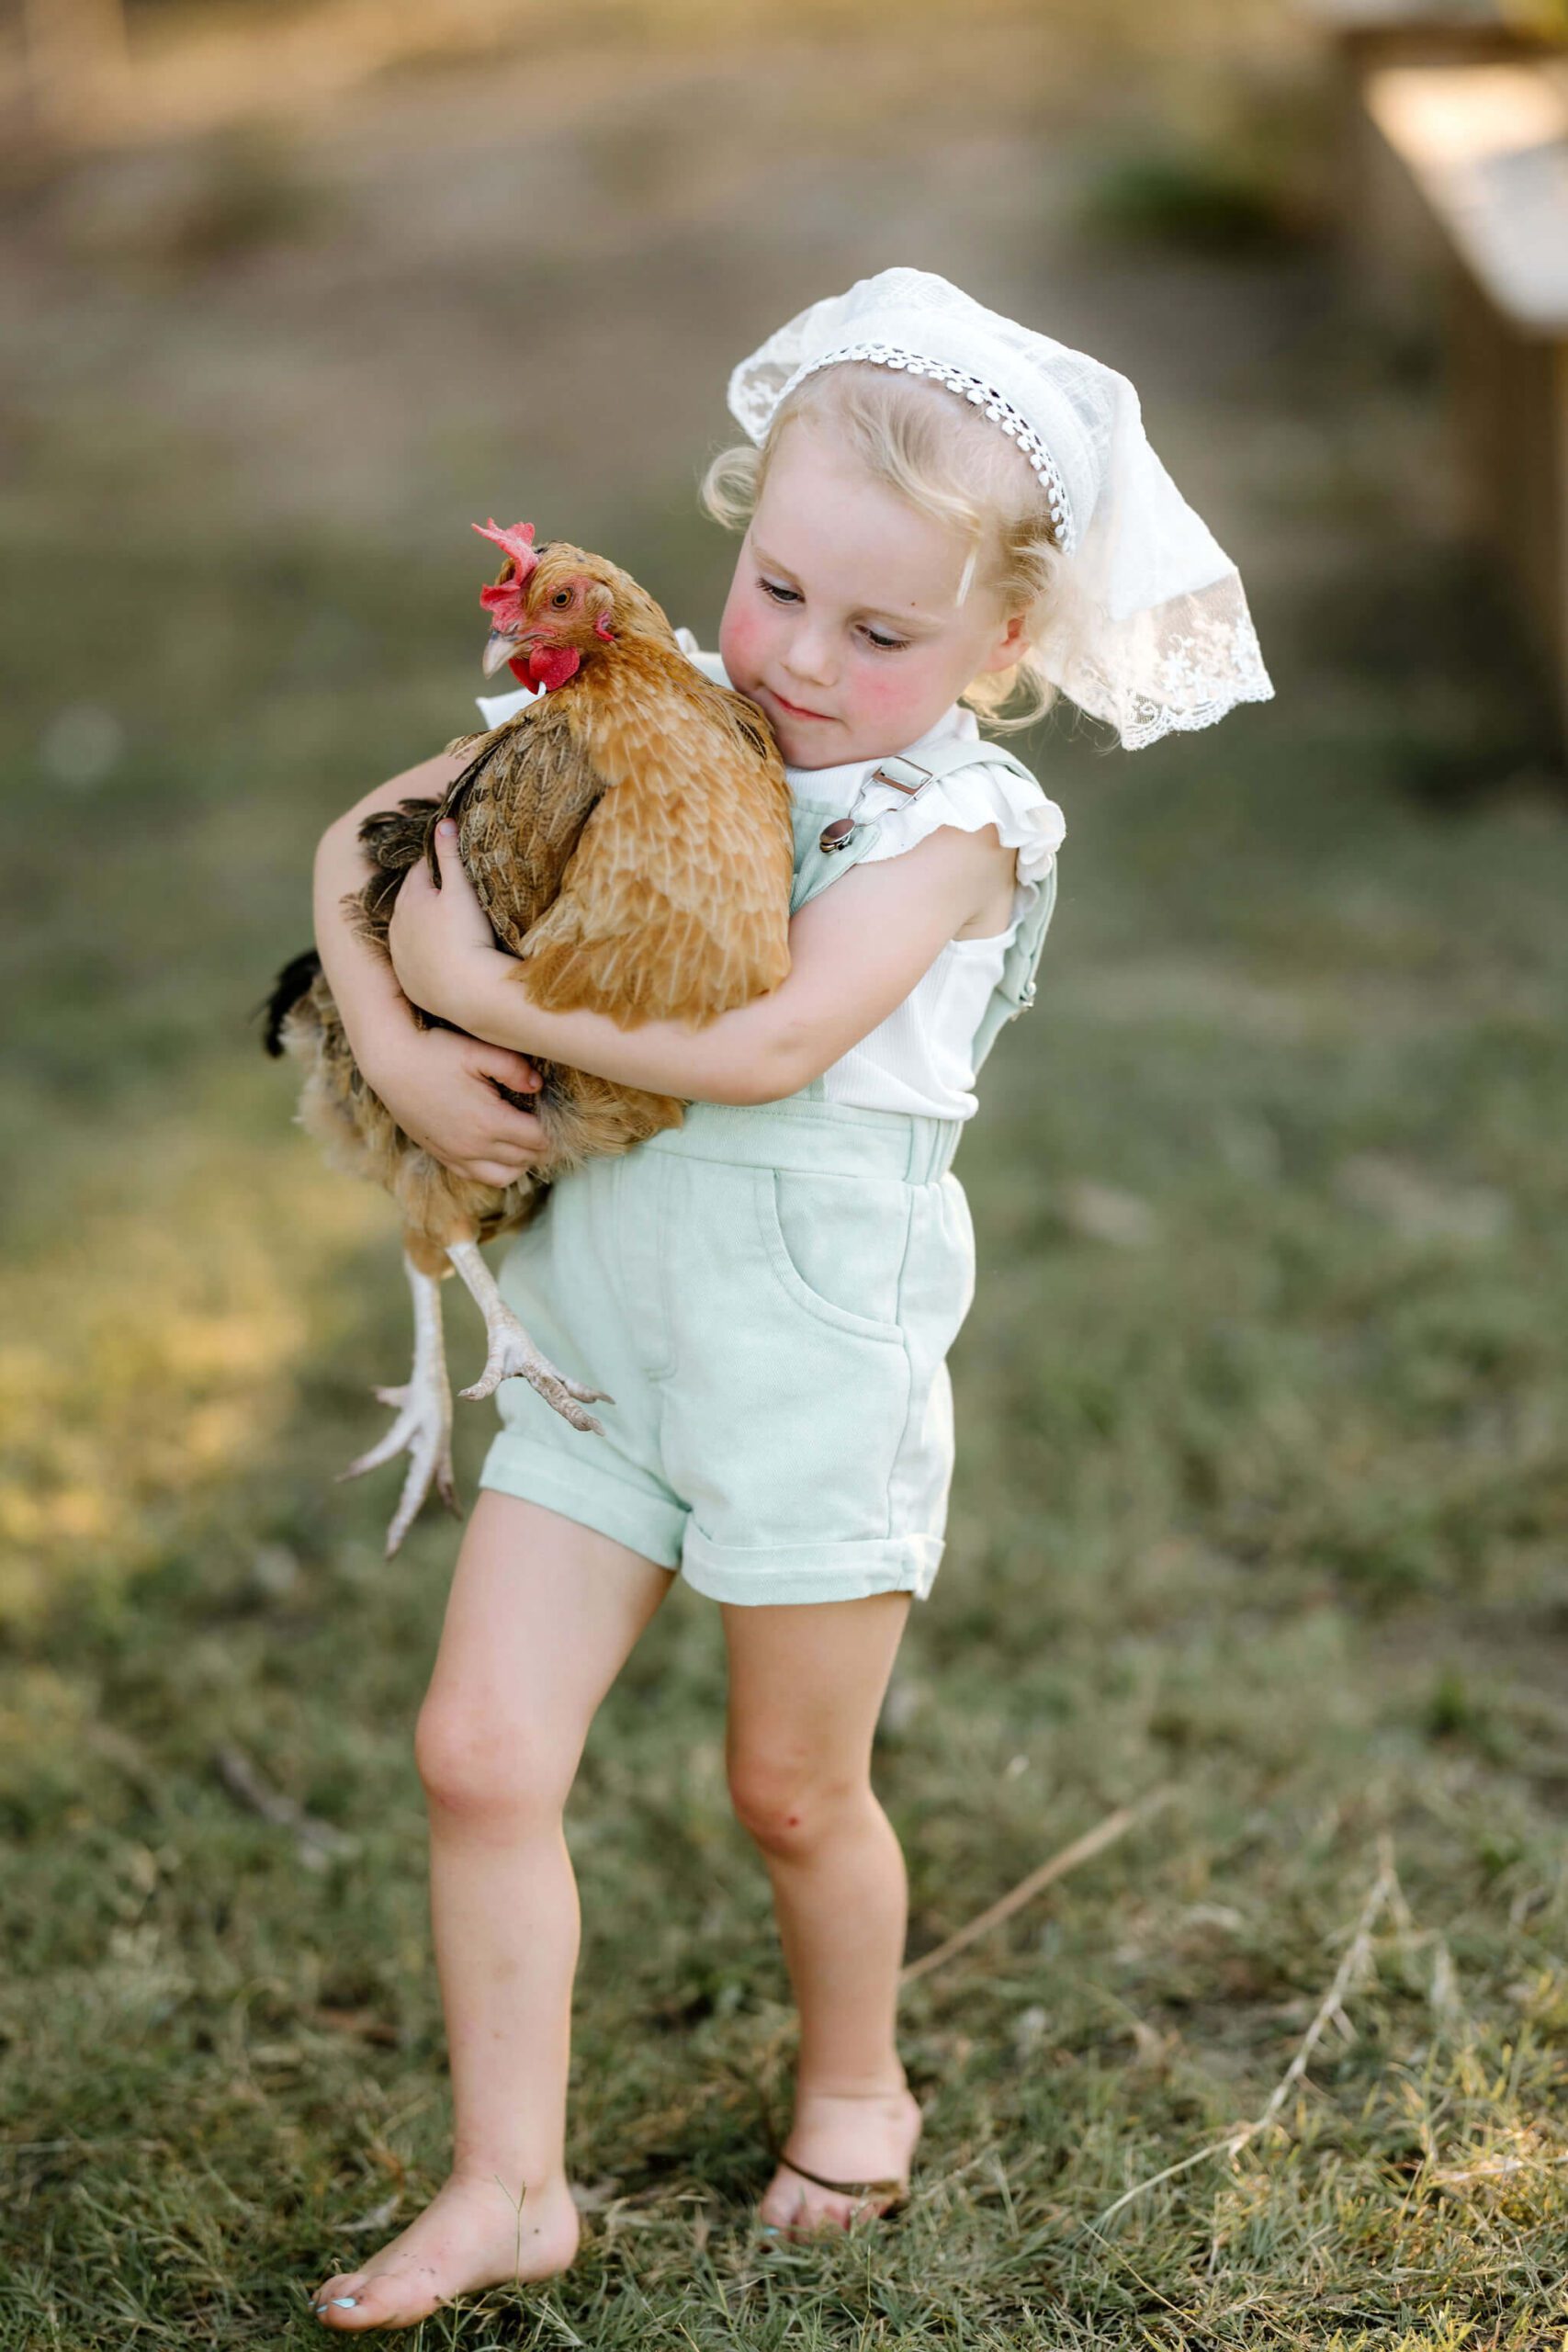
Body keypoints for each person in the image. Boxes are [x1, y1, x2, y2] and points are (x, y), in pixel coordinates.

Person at [305, 266, 1272, 2329]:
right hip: (595, 1339)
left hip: (799, 1358)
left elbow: (765, 1047)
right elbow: (367, 832)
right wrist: (393, 1042)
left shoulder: (959, 825)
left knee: (788, 1785)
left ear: (1003, 644)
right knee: (477, 1748)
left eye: (878, 628)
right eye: (773, 587)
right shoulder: (661, 717)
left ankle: (852, 2078)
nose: (801, 661)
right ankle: (506, 2182)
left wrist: (472, 985)